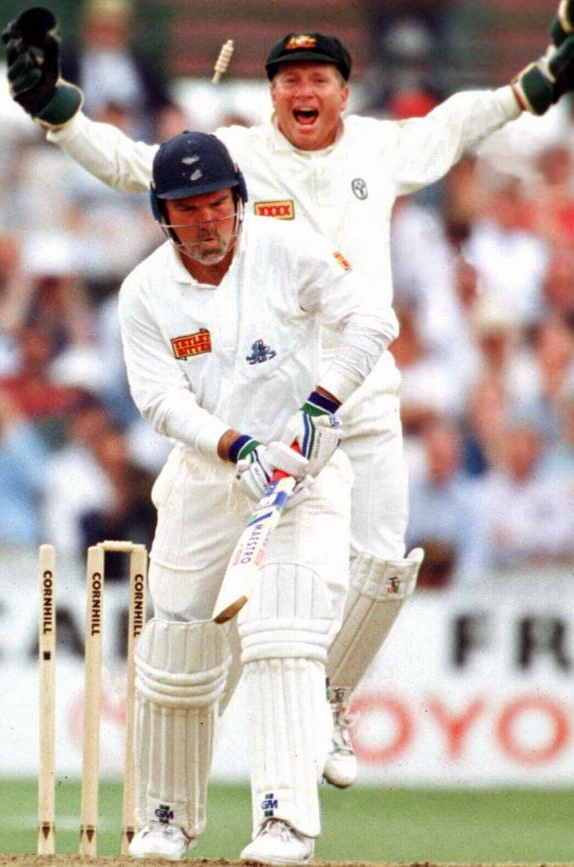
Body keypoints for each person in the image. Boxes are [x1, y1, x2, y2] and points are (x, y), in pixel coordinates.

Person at [2, 0, 574, 788]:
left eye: (317, 76)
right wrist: (55, 109)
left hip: (362, 393)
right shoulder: (238, 154)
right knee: (224, 592)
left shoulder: (382, 146)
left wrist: (538, 81)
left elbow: (462, 121)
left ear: (343, 91)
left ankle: (332, 698)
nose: (302, 91)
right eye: (288, 79)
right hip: (273, 407)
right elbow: (134, 165)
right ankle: (189, 743)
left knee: (385, 567)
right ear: (271, 94)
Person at [117, 131, 395, 861]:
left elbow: (373, 318)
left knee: (284, 636)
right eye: (187, 209)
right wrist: (234, 446)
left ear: (237, 200)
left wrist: (319, 406)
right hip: (207, 482)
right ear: (163, 214)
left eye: (216, 203)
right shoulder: (145, 290)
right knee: (176, 651)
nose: (206, 222)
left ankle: (285, 820)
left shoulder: (286, 249)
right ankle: (165, 816)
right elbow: (158, 399)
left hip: (299, 477)